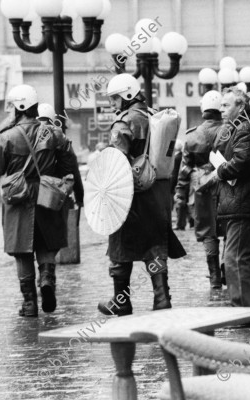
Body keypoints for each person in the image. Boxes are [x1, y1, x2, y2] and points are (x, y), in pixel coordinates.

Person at [0, 84, 83, 317]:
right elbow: (69, 163)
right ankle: (48, 280)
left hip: (18, 198)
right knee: (46, 243)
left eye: (11, 107)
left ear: (19, 108)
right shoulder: (53, 133)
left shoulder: (7, 137)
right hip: (48, 193)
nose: (9, 111)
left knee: (22, 250)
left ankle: (29, 304)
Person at [97, 73, 186, 316]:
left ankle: (121, 301)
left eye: (114, 98)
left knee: (120, 249)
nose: (112, 104)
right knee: (154, 246)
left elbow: (117, 161)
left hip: (131, 196)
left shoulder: (123, 123)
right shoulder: (153, 115)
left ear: (127, 95)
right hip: (157, 194)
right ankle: (161, 298)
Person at [207, 87, 250, 309]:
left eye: (226, 105)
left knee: (235, 259)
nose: (221, 109)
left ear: (241, 107)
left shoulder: (244, 128)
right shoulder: (245, 127)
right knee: (249, 261)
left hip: (243, 205)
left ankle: (242, 313)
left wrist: (219, 172)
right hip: (247, 204)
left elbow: (243, 161)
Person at [175, 90, 224, 289]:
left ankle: (214, 278)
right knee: (230, 229)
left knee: (209, 233)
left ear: (203, 108)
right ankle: (226, 270)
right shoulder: (231, 130)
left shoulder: (192, 136)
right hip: (227, 186)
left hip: (203, 190)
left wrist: (180, 194)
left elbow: (185, 171)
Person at [171, 139, 193, 231]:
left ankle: (180, 224)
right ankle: (191, 222)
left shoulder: (176, 158)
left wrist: (173, 186)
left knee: (180, 203)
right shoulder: (182, 156)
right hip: (187, 182)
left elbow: (175, 173)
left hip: (180, 182)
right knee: (186, 203)